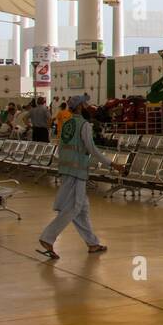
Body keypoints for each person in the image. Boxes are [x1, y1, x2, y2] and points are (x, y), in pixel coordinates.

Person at [38, 97, 114, 259]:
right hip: (77, 171)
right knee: (73, 208)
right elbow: (92, 149)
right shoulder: (84, 125)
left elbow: (62, 146)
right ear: (79, 107)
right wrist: (112, 164)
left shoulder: (67, 123)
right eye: (84, 104)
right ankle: (48, 237)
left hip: (66, 168)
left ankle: (92, 243)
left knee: (82, 209)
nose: (86, 107)